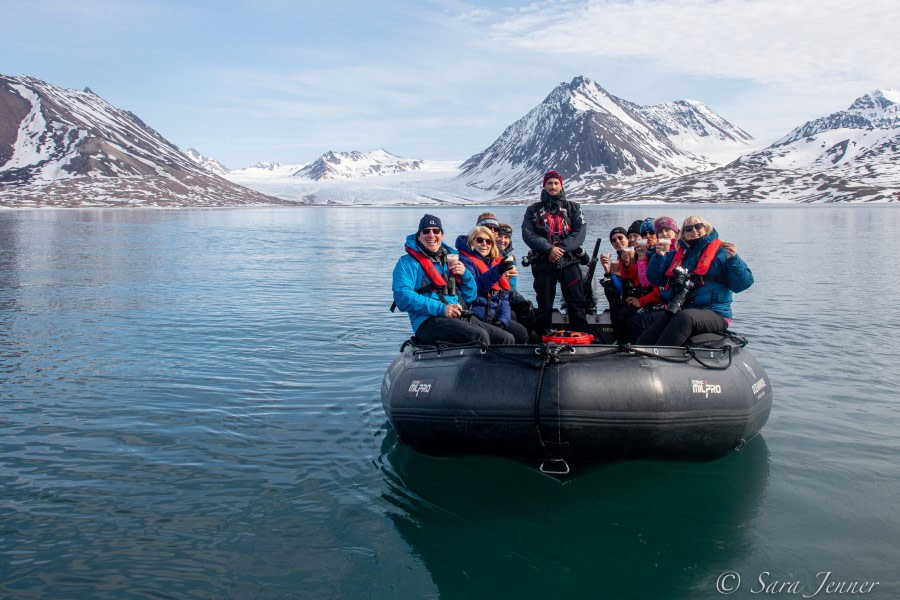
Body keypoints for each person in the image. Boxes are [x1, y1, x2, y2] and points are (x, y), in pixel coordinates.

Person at [636, 216, 754, 347]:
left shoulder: (721, 253)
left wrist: (733, 260)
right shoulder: (677, 254)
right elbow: (655, 279)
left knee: (685, 318)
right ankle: (642, 355)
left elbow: (743, 284)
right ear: (683, 234)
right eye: (688, 228)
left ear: (706, 229)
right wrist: (659, 256)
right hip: (683, 310)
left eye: (698, 227)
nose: (694, 230)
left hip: (716, 313)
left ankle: (662, 357)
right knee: (645, 340)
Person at [392, 214, 500, 346]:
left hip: (458, 316)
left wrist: (465, 275)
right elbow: (402, 296)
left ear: (442, 235)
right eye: (426, 231)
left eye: (436, 231)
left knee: (506, 338)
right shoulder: (406, 263)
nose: (431, 235)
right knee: (479, 336)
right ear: (419, 236)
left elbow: (469, 297)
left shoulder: (451, 259)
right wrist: (442, 309)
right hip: (428, 322)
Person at [522, 170, 590, 335]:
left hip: (570, 261)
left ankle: (581, 339)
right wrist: (549, 249)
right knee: (544, 304)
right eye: (549, 183)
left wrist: (561, 249)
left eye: (556, 183)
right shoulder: (533, 210)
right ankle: (541, 339)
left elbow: (580, 232)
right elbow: (527, 233)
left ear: (561, 185)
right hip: (544, 262)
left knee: (576, 303)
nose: (553, 186)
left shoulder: (574, 208)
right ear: (544, 185)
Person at [455, 226, 529, 344]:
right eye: (480, 240)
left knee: (521, 332)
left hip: (495, 315)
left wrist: (503, 320)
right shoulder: (465, 262)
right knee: (506, 338)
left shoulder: (493, 262)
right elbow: (475, 288)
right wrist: (497, 271)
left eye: (488, 241)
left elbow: (504, 295)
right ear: (472, 242)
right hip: (476, 315)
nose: (484, 244)